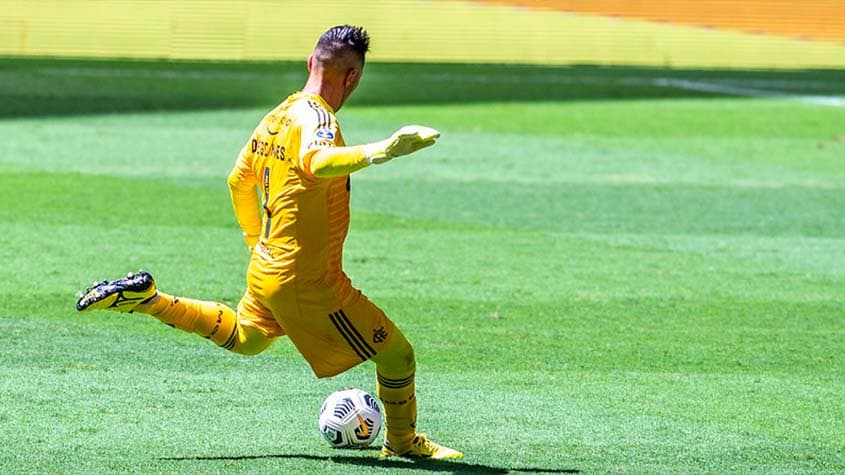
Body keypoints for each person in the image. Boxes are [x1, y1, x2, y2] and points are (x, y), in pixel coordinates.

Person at [76, 24, 462, 460]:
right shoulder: (318, 119)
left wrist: (254, 242)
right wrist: (383, 150)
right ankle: (404, 442)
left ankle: (149, 299)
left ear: (310, 62)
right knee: (397, 356)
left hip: (268, 266)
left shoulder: (277, 115)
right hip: (308, 280)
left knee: (248, 338)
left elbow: (238, 180)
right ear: (352, 77)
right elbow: (315, 161)